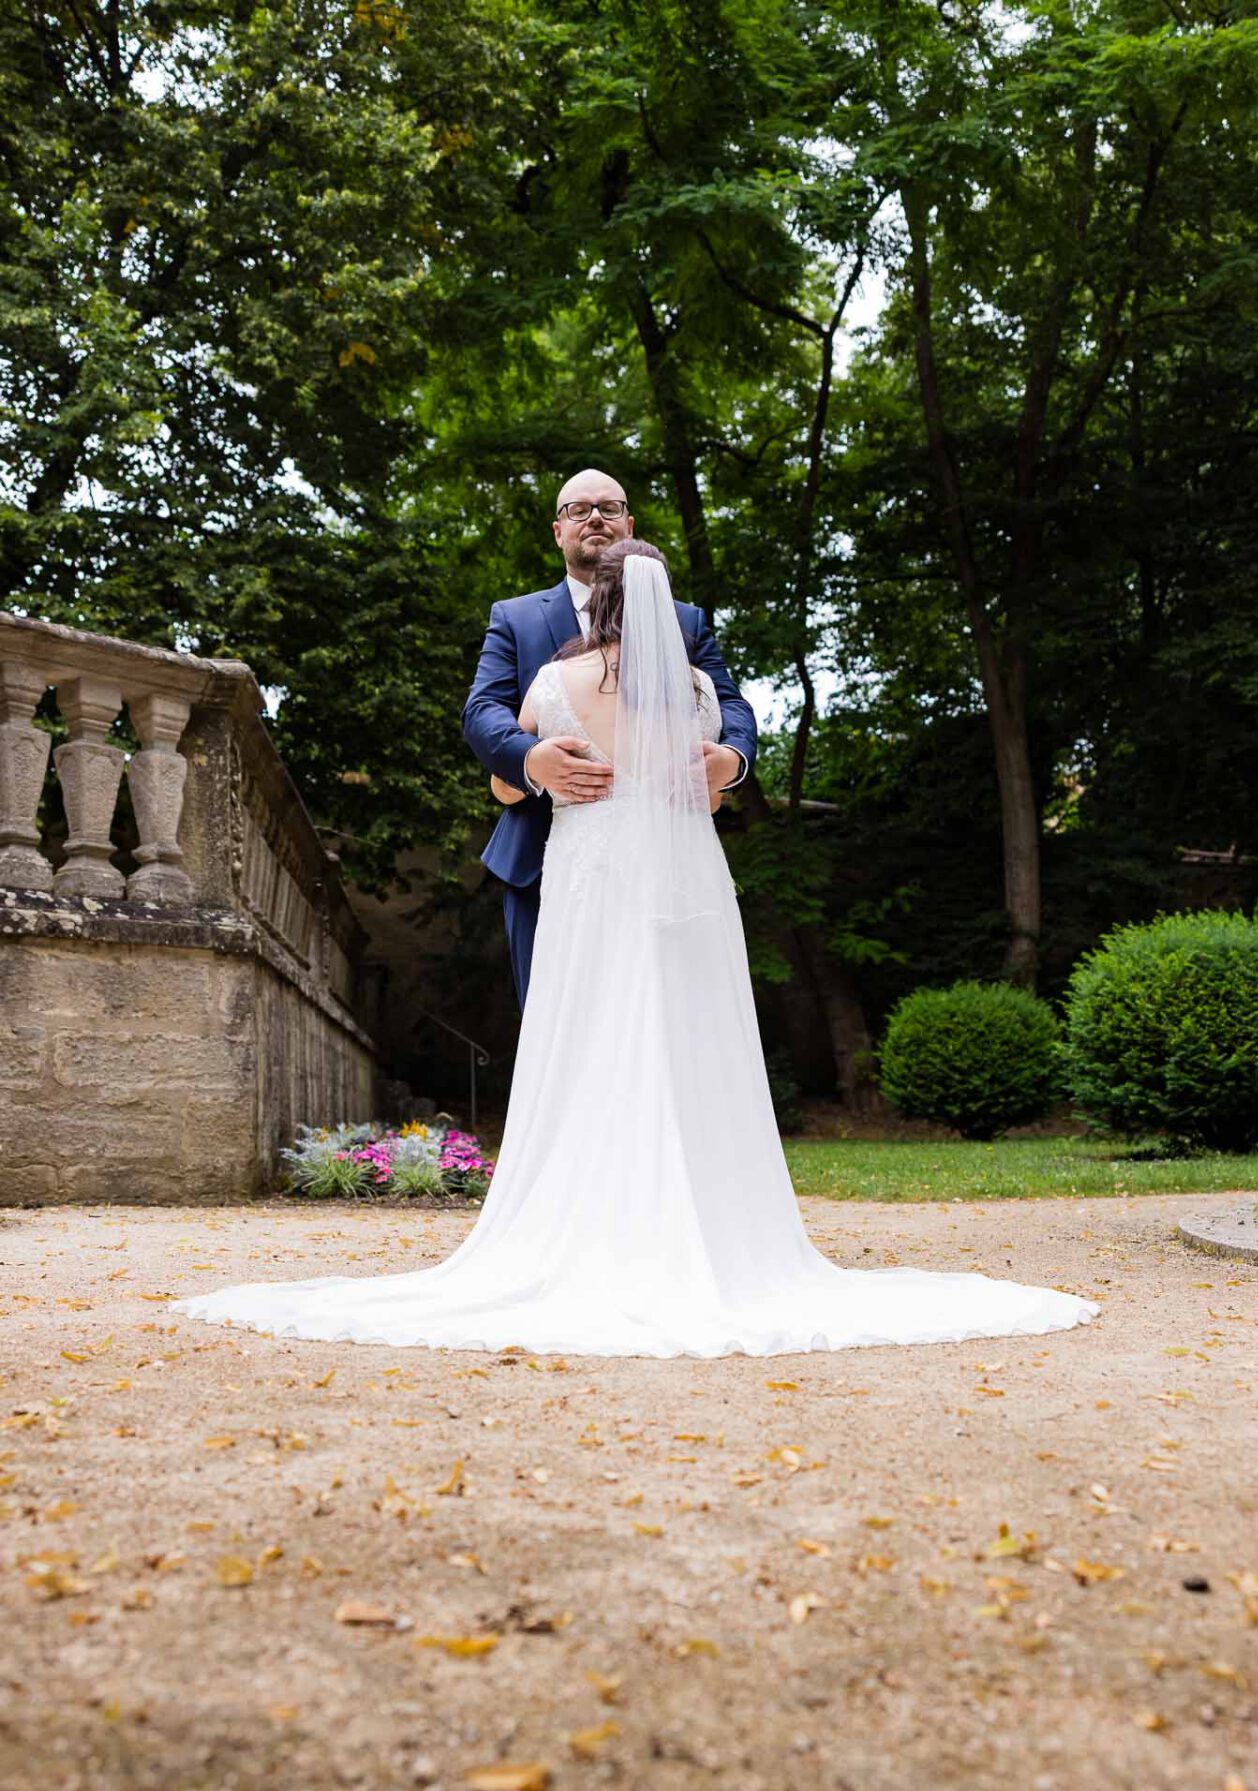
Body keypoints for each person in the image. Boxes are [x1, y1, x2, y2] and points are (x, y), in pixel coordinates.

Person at [170, 541, 1100, 1358]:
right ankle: (709, 1222)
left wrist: (542, 768)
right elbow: (702, 778)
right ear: (662, 608)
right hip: (682, 880)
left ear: (604, 599)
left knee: (587, 1034)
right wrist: (694, 772)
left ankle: (582, 1219)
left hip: (591, 879)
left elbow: (511, 787)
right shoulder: (687, 689)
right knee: (690, 1035)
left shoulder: (558, 685)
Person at [460, 469, 758, 1008]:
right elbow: (482, 710)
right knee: (556, 1025)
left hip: (668, 861)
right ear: (558, 531)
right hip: (542, 859)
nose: (595, 517)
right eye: (579, 509)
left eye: (609, 507)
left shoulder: (685, 621)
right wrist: (531, 760)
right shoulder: (516, 617)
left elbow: (731, 703)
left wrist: (732, 760)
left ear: (629, 524)